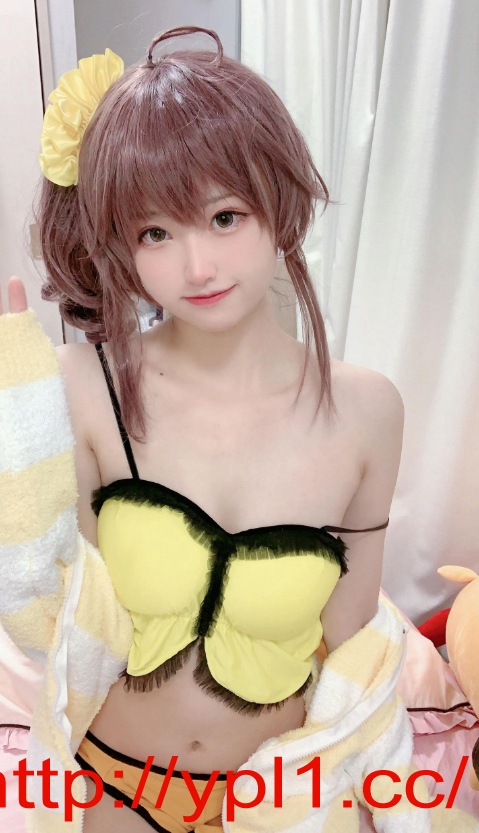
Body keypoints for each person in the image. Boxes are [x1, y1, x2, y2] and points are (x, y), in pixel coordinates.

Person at [0, 24, 405, 833]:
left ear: (278, 204)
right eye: (155, 232)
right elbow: (51, 604)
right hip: (113, 789)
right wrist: (16, 416)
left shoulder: (368, 412)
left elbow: (353, 646)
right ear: (122, 246)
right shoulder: (84, 386)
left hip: (277, 799)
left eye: (224, 216)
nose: (197, 267)